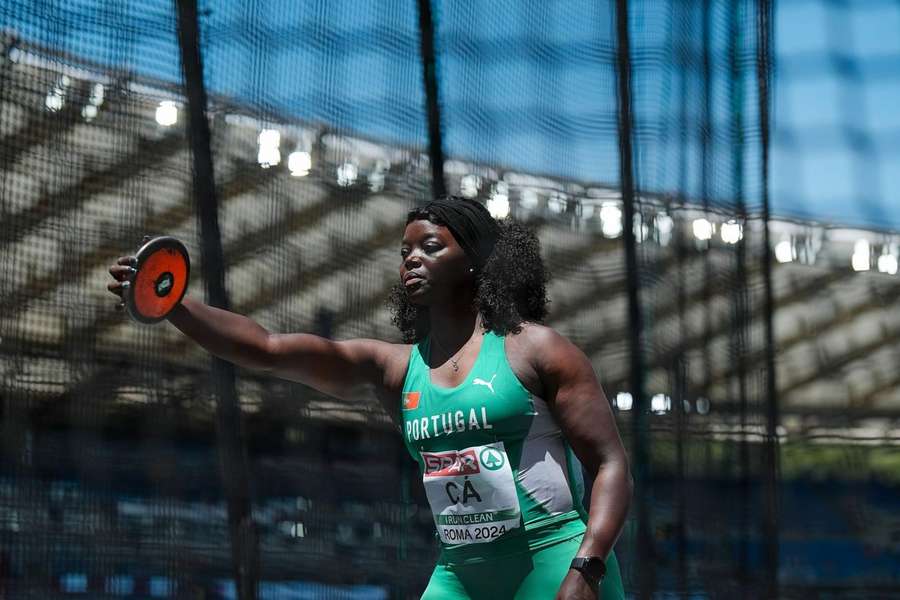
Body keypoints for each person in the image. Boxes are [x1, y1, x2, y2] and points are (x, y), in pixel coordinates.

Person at [108, 196, 631, 599]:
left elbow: (609, 464)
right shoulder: (396, 368)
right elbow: (267, 349)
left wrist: (588, 567)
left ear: (475, 261)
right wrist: (172, 304)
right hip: (461, 574)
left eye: (431, 247)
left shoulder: (536, 349)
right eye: (405, 251)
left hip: (554, 564)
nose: (411, 260)